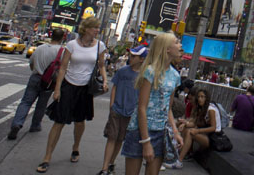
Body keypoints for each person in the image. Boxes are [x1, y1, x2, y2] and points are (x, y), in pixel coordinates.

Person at [36, 17, 107, 173]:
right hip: (69, 86)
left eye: (98, 27)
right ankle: (47, 157)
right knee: (59, 121)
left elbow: (101, 65)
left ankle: (76, 147)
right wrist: (57, 89)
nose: (97, 30)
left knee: (80, 122)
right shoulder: (72, 44)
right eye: (95, 27)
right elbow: (63, 67)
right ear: (87, 28)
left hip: (85, 89)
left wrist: (105, 80)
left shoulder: (99, 46)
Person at [120, 33, 183, 175]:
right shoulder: (150, 71)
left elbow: (168, 108)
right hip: (139, 130)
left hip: (160, 132)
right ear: (167, 49)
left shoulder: (175, 76)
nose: (180, 45)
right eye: (177, 42)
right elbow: (142, 108)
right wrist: (146, 141)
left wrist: (175, 132)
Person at [96, 45, 147, 175]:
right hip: (117, 110)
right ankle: (104, 168)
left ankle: (111, 162)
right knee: (112, 137)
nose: (131, 57)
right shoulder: (123, 71)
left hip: (131, 113)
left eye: (134, 56)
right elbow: (115, 87)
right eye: (131, 55)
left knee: (120, 139)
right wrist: (112, 105)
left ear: (142, 59)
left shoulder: (145, 75)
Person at [8, 28, 65, 140]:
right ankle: (35, 125)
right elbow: (62, 69)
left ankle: (17, 124)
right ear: (62, 38)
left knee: (25, 102)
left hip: (35, 77)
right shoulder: (62, 51)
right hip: (49, 82)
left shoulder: (40, 48)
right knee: (41, 105)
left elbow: (31, 63)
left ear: (51, 36)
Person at [176, 88, 222, 169]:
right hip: (205, 134)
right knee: (186, 128)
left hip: (213, 137)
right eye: (199, 97)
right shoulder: (201, 108)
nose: (200, 99)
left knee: (190, 132)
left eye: (202, 97)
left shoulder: (211, 109)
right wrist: (185, 124)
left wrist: (197, 130)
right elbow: (195, 122)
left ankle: (179, 160)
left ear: (206, 98)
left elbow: (213, 128)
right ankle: (182, 152)